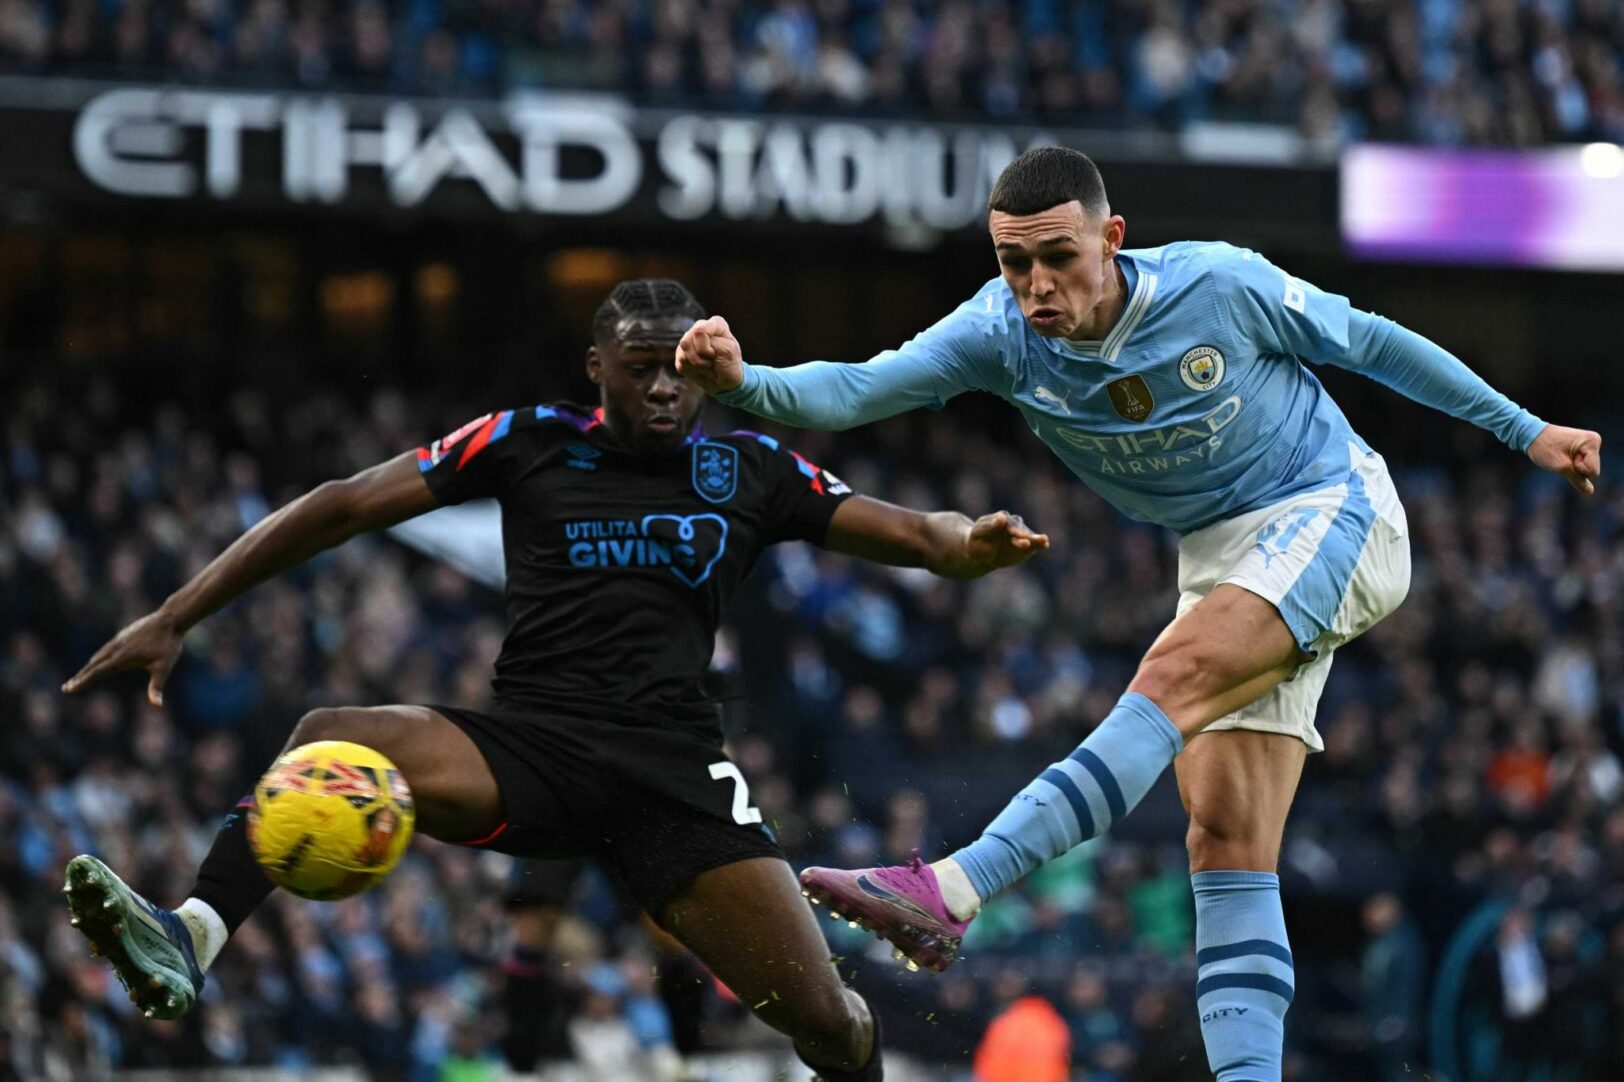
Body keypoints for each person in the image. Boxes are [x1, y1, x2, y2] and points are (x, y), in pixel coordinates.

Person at [673, 147, 1604, 1082]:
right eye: (1013, 262)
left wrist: (1527, 431)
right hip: (1215, 556)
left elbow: (1370, 341)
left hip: (1329, 508)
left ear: (1112, 239)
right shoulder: (998, 333)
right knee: (1226, 844)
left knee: (1169, 678)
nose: (1036, 285)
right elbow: (860, 386)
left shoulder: (1218, 284)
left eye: (1058, 258)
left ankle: (955, 885)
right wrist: (748, 383)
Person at [58, 278, 1051, 1082]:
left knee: (831, 1023)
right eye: (639, 370)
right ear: (595, 371)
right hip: (530, 747)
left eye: (680, 371)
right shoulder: (525, 440)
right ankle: (190, 931)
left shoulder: (750, 468)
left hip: (674, 776)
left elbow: (920, 535)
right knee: (333, 727)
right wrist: (175, 614)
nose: (664, 388)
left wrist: (973, 543)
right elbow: (342, 503)